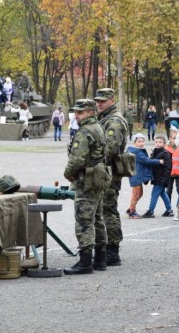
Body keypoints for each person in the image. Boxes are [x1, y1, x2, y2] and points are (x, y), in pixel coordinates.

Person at [63, 99, 109, 275]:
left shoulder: (84, 132)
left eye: (80, 112)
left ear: (90, 112)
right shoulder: (98, 128)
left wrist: (68, 174)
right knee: (97, 218)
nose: (76, 115)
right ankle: (100, 259)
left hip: (86, 181)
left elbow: (76, 160)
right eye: (75, 112)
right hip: (98, 177)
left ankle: (85, 262)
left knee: (84, 220)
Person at [94, 88, 129, 266]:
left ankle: (112, 250)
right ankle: (105, 248)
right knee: (104, 209)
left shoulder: (114, 121)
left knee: (108, 210)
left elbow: (111, 149)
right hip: (105, 172)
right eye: (97, 101)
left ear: (112, 100)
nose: (99, 104)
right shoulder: (104, 118)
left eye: (103, 101)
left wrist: (91, 156)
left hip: (109, 172)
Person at [127, 133, 166, 219]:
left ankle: (130, 209)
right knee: (136, 194)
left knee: (139, 194)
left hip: (137, 175)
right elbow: (146, 161)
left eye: (142, 141)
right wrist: (158, 161)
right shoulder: (136, 152)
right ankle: (132, 212)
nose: (141, 143)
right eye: (139, 141)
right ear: (134, 142)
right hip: (136, 176)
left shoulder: (136, 150)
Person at [143, 135, 173, 218]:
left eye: (160, 142)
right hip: (156, 177)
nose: (158, 144)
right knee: (163, 194)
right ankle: (169, 210)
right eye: (156, 142)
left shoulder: (165, 154)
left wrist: (164, 179)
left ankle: (150, 211)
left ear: (164, 144)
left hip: (161, 178)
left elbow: (168, 168)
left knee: (154, 194)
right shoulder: (154, 153)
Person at [165, 129, 179, 201]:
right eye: (174, 138)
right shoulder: (166, 149)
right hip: (169, 173)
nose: (176, 140)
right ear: (169, 138)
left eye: (178, 138)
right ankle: (168, 209)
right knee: (168, 191)